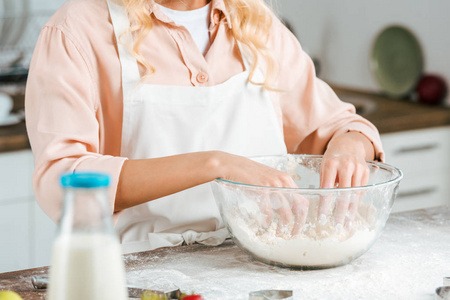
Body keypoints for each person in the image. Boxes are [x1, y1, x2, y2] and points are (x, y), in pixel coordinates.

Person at [25, 0, 384, 253]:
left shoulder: (257, 25)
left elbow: (339, 126)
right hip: (137, 271)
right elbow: (63, 178)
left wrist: (349, 145)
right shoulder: (76, 29)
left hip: (259, 263)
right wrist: (214, 165)